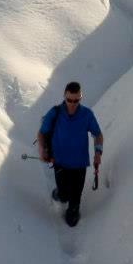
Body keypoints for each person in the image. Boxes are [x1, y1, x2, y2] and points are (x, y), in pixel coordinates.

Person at [36, 81, 103, 227]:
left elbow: (98, 134)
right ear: (64, 97)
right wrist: (42, 149)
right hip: (59, 162)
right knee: (64, 195)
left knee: (73, 207)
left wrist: (98, 152)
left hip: (80, 164)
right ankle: (59, 194)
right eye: (69, 100)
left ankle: (73, 209)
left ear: (80, 98)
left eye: (76, 100)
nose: (72, 103)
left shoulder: (87, 115)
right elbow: (42, 133)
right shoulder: (55, 112)